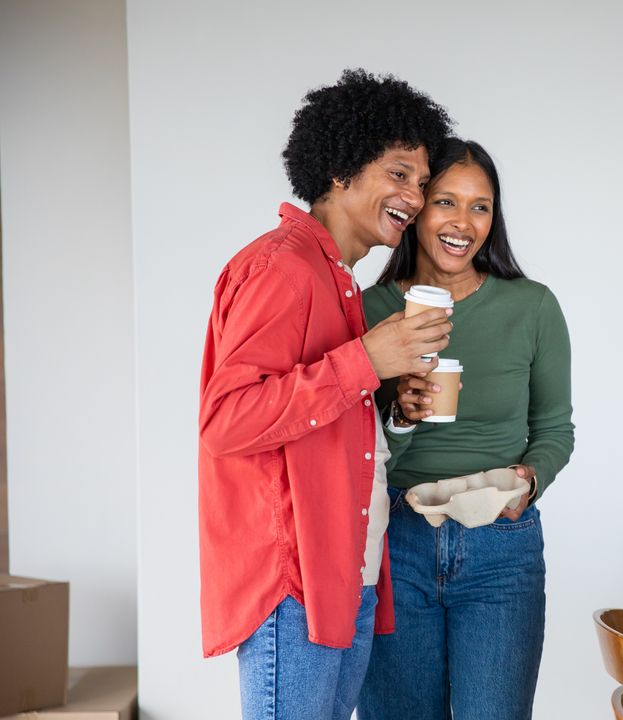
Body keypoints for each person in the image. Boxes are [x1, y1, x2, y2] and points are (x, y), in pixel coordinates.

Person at [197, 69, 454, 720]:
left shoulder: (337, 282)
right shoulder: (282, 267)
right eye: (399, 174)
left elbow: (320, 418)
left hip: (345, 575)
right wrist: (366, 360)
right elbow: (227, 421)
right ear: (341, 170)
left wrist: (391, 401)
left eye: (422, 184)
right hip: (295, 583)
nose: (415, 198)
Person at [358, 139, 575, 719]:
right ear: (416, 208)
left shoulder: (532, 308)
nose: (463, 222)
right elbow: (348, 444)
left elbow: (556, 428)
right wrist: (400, 415)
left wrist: (531, 480)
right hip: (395, 540)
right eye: (445, 202)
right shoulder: (368, 311)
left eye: (480, 207)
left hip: (501, 543)